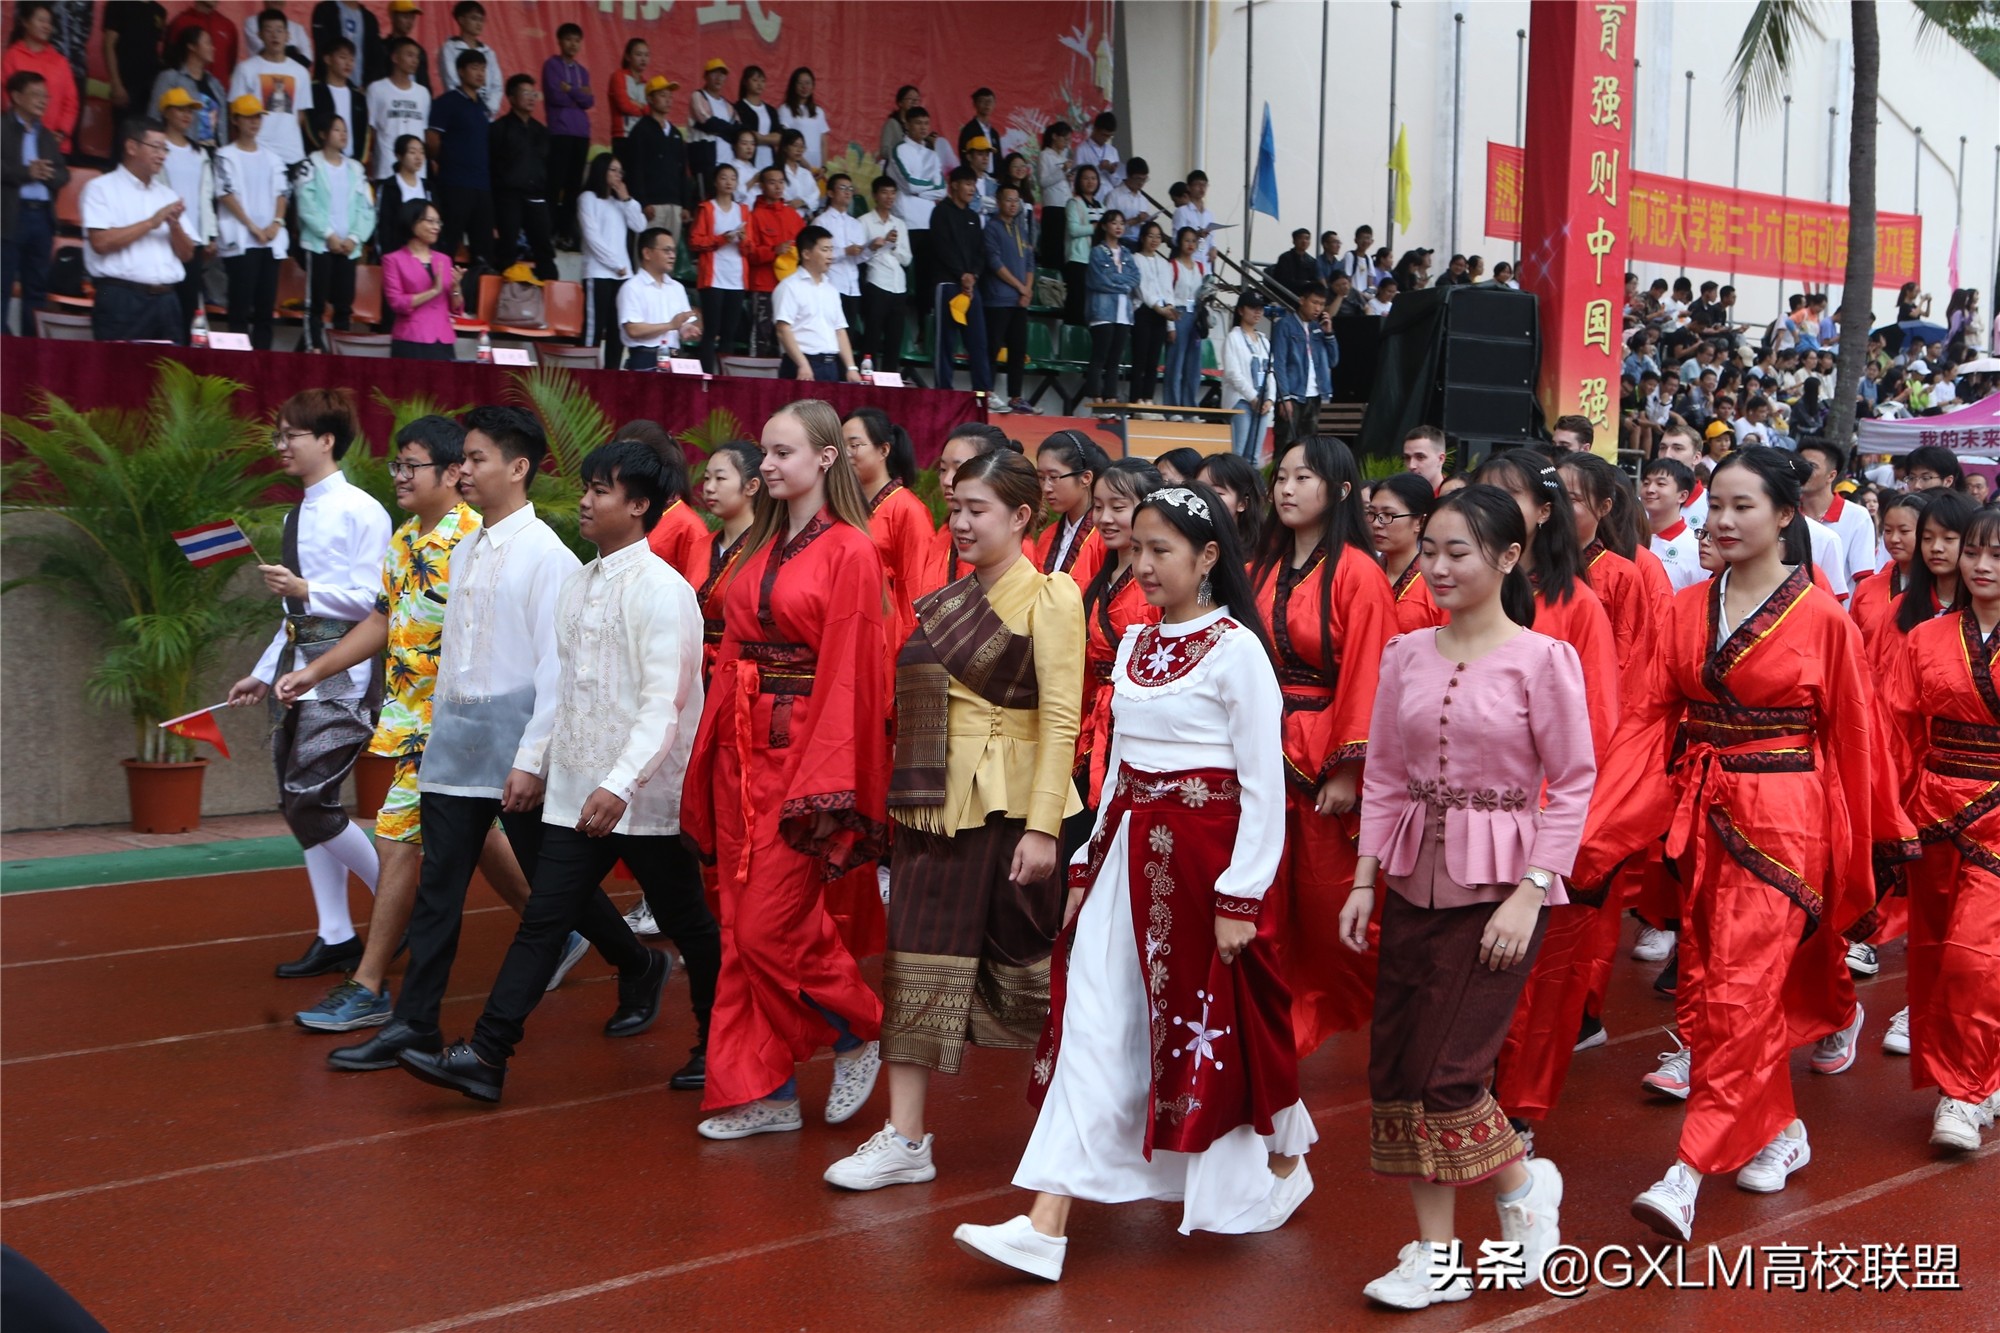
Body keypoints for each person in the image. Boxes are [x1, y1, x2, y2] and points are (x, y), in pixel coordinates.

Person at [953, 482, 1309, 1279]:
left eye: (1161, 550)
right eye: (1135, 549)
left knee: (1225, 1022)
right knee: (1095, 1022)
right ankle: (1045, 1223)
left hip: (1202, 869)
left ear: (1208, 556)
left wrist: (1241, 895)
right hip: (1124, 861)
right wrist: (1086, 863)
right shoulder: (1138, 643)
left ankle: (1284, 1162)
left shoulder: (1237, 650)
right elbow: (1118, 767)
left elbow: (1263, 785)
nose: (1142, 564)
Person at [1578, 448, 1902, 1241]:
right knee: (1714, 985)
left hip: (1786, 824)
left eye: (1742, 506)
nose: (1722, 520)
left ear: (1786, 515)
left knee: (1740, 989)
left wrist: (1875, 842)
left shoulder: (1823, 618)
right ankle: (1781, 1128)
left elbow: (1855, 737)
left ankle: (1687, 1168)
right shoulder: (1687, 606)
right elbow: (1644, 721)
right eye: (1715, 505)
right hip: (1702, 817)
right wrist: (1599, 830)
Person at [399, 440, 718, 1103]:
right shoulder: (578, 584)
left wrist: (620, 784)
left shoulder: (665, 591)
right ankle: (487, 1055)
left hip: (644, 797)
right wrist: (532, 763)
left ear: (639, 505)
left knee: (687, 920)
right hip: (576, 791)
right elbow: (562, 691)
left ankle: (718, 1045)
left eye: (602, 490)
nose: (585, 500)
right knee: (544, 917)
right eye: (587, 487)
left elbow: (664, 706)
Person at [1342, 483, 1593, 1308]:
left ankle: (1520, 1189)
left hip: (1501, 893)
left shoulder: (1544, 660)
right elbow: (1384, 774)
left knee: (1449, 1074)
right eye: (1432, 550)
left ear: (1510, 557)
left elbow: (1574, 782)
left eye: (1460, 552)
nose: (1439, 567)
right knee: (1398, 1066)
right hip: (1411, 881)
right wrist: (1364, 878)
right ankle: (1439, 1252)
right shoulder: (1404, 654)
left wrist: (1532, 890)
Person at [824, 447, 1082, 1191]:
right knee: (913, 961)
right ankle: (906, 1136)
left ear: (1022, 516)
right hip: (932, 807)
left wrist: (1043, 827)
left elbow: (1061, 716)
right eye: (956, 508)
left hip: (1007, 809)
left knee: (1035, 972)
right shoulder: (947, 597)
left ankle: (1084, 1121)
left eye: (978, 510)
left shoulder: (1052, 596)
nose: (961, 522)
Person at [326, 406, 600, 1075]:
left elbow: (557, 669)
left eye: (477, 459)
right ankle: (414, 1025)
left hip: (513, 748)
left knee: (553, 888)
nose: (465, 470)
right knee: (439, 888)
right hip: (450, 740)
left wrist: (531, 760)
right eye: (463, 459)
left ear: (518, 467)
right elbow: (449, 653)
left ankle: (634, 961)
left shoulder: (548, 557)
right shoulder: (466, 546)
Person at [279, 416, 552, 1034]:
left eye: (412, 466)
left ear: (453, 473)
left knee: (397, 840)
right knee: (478, 835)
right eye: (396, 465)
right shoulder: (404, 540)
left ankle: (369, 983)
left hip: (460, 722)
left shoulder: (475, 539)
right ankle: (560, 930)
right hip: (411, 719)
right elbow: (382, 620)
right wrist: (314, 669)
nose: (399, 477)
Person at [680, 400, 892, 1140]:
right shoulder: (761, 544)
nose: (766, 465)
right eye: (765, 452)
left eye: (782, 452)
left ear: (827, 458)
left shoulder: (851, 550)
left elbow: (852, 675)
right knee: (738, 930)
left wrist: (825, 780)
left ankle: (857, 1028)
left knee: (767, 927)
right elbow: (734, 652)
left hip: (803, 760)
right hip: (741, 755)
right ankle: (764, 1090)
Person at [225, 388, 392, 977]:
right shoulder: (295, 514)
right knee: (300, 803)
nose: (280, 445)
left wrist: (305, 590)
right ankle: (336, 932)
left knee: (307, 800)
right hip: (298, 672)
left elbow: (377, 602)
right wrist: (261, 672)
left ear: (326, 439)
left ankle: (401, 905)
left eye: (290, 434)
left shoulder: (363, 510)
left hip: (346, 671)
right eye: (278, 435)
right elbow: (294, 618)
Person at [1250, 436, 1397, 1054]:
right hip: (1257, 743)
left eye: (1302, 477)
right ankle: (1268, 1017)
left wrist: (1347, 769)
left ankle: (1324, 1012)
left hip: (1321, 756)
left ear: (1339, 491)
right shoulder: (1260, 566)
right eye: (1281, 476)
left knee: (1322, 893)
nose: (1286, 488)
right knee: (1263, 890)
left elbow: (1369, 674)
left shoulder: (1359, 573)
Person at [1880, 505, 2000, 1149]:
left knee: (1973, 958)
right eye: (1975, 551)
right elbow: (1897, 733)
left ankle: (1963, 1093)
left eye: (1998, 555)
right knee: (1934, 954)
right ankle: (1978, 1071)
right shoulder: (1926, 636)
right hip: (1935, 811)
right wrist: (1890, 816)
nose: (1982, 565)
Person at [1073, 459, 1163, 814]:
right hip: (1095, 717)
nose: (1105, 518)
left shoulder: (1163, 579)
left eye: (1118, 507)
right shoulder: (1102, 573)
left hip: (1143, 724)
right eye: (1098, 507)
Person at [82, 118, 194, 342]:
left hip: (166, 300)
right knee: (120, 364)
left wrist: (174, 225)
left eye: (165, 149)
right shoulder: (100, 188)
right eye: (156, 147)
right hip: (120, 298)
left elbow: (187, 254)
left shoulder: (167, 194)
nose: (162, 156)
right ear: (132, 147)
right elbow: (100, 243)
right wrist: (151, 223)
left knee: (171, 365)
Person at [843, 407, 940, 666]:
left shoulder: (908, 509)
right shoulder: (843, 505)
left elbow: (916, 586)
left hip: (887, 637)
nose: (846, 453)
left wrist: (908, 650)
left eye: (854, 445)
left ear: (883, 450)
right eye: (841, 446)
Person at [295, 109, 372, 352]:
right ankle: (313, 349)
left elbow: (367, 207)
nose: (343, 134)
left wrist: (354, 237)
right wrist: (328, 234)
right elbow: (306, 204)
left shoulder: (356, 169)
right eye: (337, 130)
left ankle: (341, 351)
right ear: (323, 134)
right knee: (316, 304)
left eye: (345, 130)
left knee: (344, 306)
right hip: (320, 245)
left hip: (348, 248)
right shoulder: (310, 165)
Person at [214, 94, 287, 351]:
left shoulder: (272, 157)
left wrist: (276, 223)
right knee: (240, 308)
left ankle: (263, 361)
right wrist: (252, 226)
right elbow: (225, 194)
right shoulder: (225, 155)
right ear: (235, 120)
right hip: (242, 241)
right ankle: (237, 360)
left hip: (269, 242)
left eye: (257, 117)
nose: (254, 122)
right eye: (248, 117)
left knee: (265, 309)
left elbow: (281, 193)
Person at [2, 69, 65, 333]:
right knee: (2, 287)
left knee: (37, 290)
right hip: (10, 217)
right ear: (16, 97)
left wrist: (49, 175)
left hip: (41, 218)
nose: (43, 101)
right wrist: (28, 172)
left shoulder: (46, 135)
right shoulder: (2, 127)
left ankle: (32, 348)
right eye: (36, 95)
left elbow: (63, 173)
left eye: (45, 96)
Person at [426, 47, 491, 273]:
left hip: (482, 186)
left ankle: (474, 293)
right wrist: (448, 161)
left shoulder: (483, 107)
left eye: (483, 68)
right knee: (447, 243)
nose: (480, 73)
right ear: (461, 72)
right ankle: (438, 288)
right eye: (474, 68)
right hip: (454, 183)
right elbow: (432, 139)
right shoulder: (447, 102)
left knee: (483, 249)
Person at [928, 165, 991, 395]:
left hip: (970, 288)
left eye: (973, 184)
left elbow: (981, 252)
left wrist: (973, 275)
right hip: (947, 284)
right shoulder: (940, 212)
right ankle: (944, 392)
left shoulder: (973, 216)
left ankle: (983, 393)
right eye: (967, 184)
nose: (972, 189)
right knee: (946, 342)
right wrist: (961, 275)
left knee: (978, 342)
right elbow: (941, 248)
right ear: (954, 185)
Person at [773, 223, 862, 383]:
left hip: (830, 365)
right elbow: (783, 329)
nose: (830, 256)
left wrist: (851, 367)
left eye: (831, 249)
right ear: (806, 254)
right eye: (825, 250)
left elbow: (839, 330)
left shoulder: (831, 289)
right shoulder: (789, 287)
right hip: (802, 364)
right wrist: (802, 364)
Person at [577, 151, 644, 352]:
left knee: (618, 329)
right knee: (594, 326)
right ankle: (587, 366)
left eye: (620, 172)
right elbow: (592, 237)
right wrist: (615, 264)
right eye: (613, 170)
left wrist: (627, 199)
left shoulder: (620, 203)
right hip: (599, 272)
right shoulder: (588, 198)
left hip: (623, 274)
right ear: (601, 170)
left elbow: (640, 225)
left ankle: (612, 369)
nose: (618, 175)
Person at [490, 73, 555, 281]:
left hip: (536, 196)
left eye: (533, 94)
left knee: (544, 249)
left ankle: (548, 290)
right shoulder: (499, 128)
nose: (531, 98)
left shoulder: (541, 131)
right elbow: (491, 165)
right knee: (508, 246)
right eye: (525, 93)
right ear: (511, 98)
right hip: (508, 196)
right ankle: (506, 294)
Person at [382, 198, 461, 358]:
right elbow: (397, 303)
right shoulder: (393, 260)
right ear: (412, 222)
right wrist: (433, 291)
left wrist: (456, 288)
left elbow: (455, 308)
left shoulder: (444, 260)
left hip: (443, 339)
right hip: (411, 338)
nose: (436, 227)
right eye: (430, 221)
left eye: (438, 222)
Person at [229, 9, 308, 168]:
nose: (274, 35)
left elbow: (300, 114)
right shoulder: (246, 69)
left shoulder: (301, 72)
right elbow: (234, 110)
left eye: (279, 30)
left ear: (288, 35)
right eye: (268, 30)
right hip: (257, 151)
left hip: (292, 154)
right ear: (260, 35)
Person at [688, 163, 747, 372]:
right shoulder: (707, 208)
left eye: (733, 178)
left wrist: (743, 239)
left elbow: (750, 247)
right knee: (711, 330)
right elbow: (695, 241)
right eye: (724, 177)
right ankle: (706, 375)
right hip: (713, 277)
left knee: (730, 332)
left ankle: (725, 376)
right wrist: (723, 238)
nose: (729, 182)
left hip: (736, 278)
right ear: (715, 182)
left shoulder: (743, 210)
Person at [984, 182, 1037, 414]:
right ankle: (987, 393)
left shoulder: (1020, 230)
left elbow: (1030, 262)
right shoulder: (991, 228)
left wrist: (1028, 289)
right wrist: (1021, 287)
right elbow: (994, 262)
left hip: (1019, 301)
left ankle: (1016, 397)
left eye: (1016, 201)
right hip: (998, 299)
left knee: (1018, 349)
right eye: (1008, 200)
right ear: (998, 202)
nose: (1013, 204)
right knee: (993, 347)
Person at [1369, 473, 1442, 633]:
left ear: (1420, 522)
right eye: (1372, 514)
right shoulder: (1364, 572)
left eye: (1389, 515)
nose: (1376, 524)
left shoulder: (1437, 582)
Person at [618, 225, 698, 371]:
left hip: (674, 357)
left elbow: (681, 324)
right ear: (647, 253)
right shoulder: (632, 287)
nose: (672, 256)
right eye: (667, 250)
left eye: (673, 251)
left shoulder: (677, 287)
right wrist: (670, 325)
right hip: (645, 359)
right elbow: (633, 330)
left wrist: (687, 329)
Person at [1033, 431, 1106, 590]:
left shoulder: (1105, 537)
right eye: (1041, 478)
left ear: (1086, 478)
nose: (1046, 488)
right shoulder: (1047, 536)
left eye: (1053, 477)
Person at [540, 23, 591, 246]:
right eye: (569, 39)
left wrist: (570, 90)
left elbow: (589, 101)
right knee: (554, 183)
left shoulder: (583, 71)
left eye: (577, 40)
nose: (573, 44)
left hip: (581, 133)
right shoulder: (551, 65)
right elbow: (555, 97)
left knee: (573, 186)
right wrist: (579, 94)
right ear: (559, 41)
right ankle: (547, 232)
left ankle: (565, 233)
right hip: (560, 131)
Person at [743, 164, 802, 356]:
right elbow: (749, 253)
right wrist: (773, 251)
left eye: (781, 182)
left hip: (791, 287)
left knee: (790, 337)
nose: (778, 187)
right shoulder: (754, 216)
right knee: (762, 336)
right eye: (772, 182)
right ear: (761, 186)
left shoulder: (792, 215)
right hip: (764, 285)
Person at [619, 75, 688, 239]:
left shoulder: (676, 133)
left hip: (675, 205)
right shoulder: (641, 130)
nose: (668, 100)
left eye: (670, 96)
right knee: (649, 250)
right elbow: (635, 169)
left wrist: (685, 205)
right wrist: (643, 202)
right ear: (650, 99)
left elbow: (682, 172)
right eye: (663, 95)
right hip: (652, 206)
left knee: (669, 252)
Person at [1083, 210, 1138, 411]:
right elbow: (1098, 281)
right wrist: (1122, 285)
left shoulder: (1127, 253)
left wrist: (1116, 281)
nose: (1118, 227)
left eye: (1122, 223)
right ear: (1105, 226)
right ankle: (1096, 396)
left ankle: (1111, 397)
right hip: (1103, 312)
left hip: (1124, 313)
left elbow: (1135, 278)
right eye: (1114, 223)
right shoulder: (1097, 252)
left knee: (1115, 358)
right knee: (1100, 355)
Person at [1272, 281, 1338, 451]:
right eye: (1314, 302)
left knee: (1308, 447)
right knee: (1285, 444)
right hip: (1293, 394)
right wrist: (1284, 397)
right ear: (1302, 300)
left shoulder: (1319, 327)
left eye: (1322, 304)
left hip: (1315, 394)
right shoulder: (1285, 325)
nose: (1318, 308)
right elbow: (1279, 363)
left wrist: (1329, 334)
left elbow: (1333, 360)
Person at [5, 3, 75, 152]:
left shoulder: (60, 61)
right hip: (19, 141)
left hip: (55, 143)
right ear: (25, 22)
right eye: (41, 20)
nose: (47, 26)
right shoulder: (12, 56)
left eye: (49, 22)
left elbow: (71, 102)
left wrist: (61, 133)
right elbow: (6, 99)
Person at [858, 174, 910, 372]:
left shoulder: (900, 224)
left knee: (894, 340)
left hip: (899, 286)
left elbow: (907, 259)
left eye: (893, 193)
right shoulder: (864, 222)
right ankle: (866, 378)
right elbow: (859, 256)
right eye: (884, 193)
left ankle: (889, 380)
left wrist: (893, 245)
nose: (889, 197)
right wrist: (876, 245)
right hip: (877, 283)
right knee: (872, 336)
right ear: (875, 195)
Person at [152, 23, 226, 148]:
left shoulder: (215, 83)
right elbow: (154, 117)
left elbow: (222, 124)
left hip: (214, 152)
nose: (213, 48)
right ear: (191, 46)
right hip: (181, 150)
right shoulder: (170, 78)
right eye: (207, 43)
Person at [365, 35, 428, 185]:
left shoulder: (423, 93)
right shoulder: (376, 89)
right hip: (386, 167)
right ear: (395, 57)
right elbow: (371, 132)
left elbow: (423, 132)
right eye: (409, 55)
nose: (415, 61)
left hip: (417, 172)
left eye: (417, 57)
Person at [1219, 297, 1273, 461]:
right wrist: (1253, 397)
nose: (1258, 312)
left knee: (1254, 457)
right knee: (1238, 455)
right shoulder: (1233, 337)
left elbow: (1271, 372)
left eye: (1260, 309)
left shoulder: (1264, 341)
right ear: (1241, 311)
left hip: (1262, 402)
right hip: (1241, 400)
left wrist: (1270, 399)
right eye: (1252, 308)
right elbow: (1232, 373)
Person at [1639, 457, 1705, 591]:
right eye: (1646, 483)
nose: (1650, 489)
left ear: (1682, 496)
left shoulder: (1696, 548)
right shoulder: (1629, 537)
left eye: (1660, 484)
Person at [1127, 221, 1173, 407]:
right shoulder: (1135, 259)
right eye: (1150, 236)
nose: (1155, 240)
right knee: (1140, 358)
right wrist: (1157, 306)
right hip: (1143, 311)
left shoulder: (1164, 263)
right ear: (1142, 238)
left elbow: (1168, 289)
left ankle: (1148, 399)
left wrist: (1169, 312)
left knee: (1153, 360)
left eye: (1158, 237)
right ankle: (1136, 399)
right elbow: (1140, 287)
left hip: (1162, 313)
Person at [810, 173, 864, 333]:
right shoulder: (821, 221)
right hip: (831, 285)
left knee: (848, 335)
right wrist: (845, 251)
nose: (848, 192)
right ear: (830, 193)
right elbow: (817, 256)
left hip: (852, 287)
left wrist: (870, 249)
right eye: (842, 188)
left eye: (850, 189)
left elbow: (859, 259)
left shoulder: (855, 223)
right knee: (829, 333)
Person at [300, 36, 366, 166]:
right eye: (343, 57)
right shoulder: (314, 90)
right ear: (328, 59)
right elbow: (309, 125)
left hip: (352, 163)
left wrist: (359, 160)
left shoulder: (358, 96)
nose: (348, 63)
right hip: (320, 160)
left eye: (352, 59)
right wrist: (326, 152)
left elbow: (364, 132)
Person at [1163, 226, 1209, 411]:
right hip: (1178, 314)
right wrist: (1170, 326)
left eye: (1194, 241)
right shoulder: (1172, 266)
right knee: (1175, 363)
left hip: (1195, 315)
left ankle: (1190, 407)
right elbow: (1168, 295)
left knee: (1193, 365)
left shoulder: (1200, 267)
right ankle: (1172, 407)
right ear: (1179, 243)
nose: (1191, 244)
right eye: (1187, 240)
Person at [103, 0, 170, 122]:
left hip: (151, 85)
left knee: (149, 129)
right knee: (125, 129)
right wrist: (116, 84)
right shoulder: (118, 4)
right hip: (126, 82)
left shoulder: (160, 11)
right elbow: (108, 45)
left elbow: (154, 47)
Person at [437, 0, 499, 116]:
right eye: (474, 18)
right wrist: (466, 108)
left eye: (481, 20)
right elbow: (451, 81)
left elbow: (496, 86)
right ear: (461, 20)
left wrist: (487, 109)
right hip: (460, 112)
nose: (479, 24)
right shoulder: (450, 48)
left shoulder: (488, 52)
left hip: (485, 114)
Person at [1196, 453, 1263, 554]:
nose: (1204, 498)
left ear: (1242, 503)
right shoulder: (1186, 542)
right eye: (1199, 490)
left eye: (1217, 493)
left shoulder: (1262, 552)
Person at [1060, 163, 1102, 327]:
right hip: (1078, 258)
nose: (1090, 182)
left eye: (1093, 178)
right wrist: (1095, 227)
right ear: (1078, 181)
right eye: (1086, 178)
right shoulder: (1074, 203)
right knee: (1077, 302)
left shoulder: (1101, 206)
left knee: (1091, 304)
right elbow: (1073, 229)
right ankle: (1072, 336)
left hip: (1095, 260)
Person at [373, 132, 427, 254]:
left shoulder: (428, 187)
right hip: (397, 253)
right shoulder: (389, 187)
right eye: (412, 152)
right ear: (399, 156)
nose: (418, 157)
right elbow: (383, 225)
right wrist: (387, 255)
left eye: (422, 152)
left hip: (424, 253)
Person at [686, 56, 736, 186]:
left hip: (728, 162)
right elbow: (706, 122)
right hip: (705, 162)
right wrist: (728, 130)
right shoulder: (698, 96)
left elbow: (737, 130)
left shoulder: (729, 106)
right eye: (714, 73)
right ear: (705, 76)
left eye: (722, 74)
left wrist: (722, 130)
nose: (719, 77)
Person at [166, 0, 238, 84]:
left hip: (220, 90)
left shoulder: (228, 26)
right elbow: (171, 61)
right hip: (185, 89)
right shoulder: (180, 22)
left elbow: (230, 65)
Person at [310, 0, 380, 84]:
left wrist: (367, 84)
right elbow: (322, 48)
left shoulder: (369, 18)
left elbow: (374, 55)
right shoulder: (325, 10)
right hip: (329, 83)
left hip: (360, 86)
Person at [1034, 120, 1072, 270]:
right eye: (1064, 139)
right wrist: (1062, 171)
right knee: (1053, 247)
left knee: (1064, 247)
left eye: (1068, 140)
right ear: (1054, 136)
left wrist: (1069, 178)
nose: (1066, 143)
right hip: (1052, 206)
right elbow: (1043, 181)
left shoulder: (1063, 157)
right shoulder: (1045, 155)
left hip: (1066, 205)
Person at [777, 65, 827, 168]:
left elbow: (823, 142)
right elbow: (786, 139)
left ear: (813, 86)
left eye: (808, 83)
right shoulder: (785, 109)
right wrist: (805, 164)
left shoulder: (819, 111)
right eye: (800, 83)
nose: (804, 87)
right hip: (796, 165)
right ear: (793, 85)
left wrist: (823, 167)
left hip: (816, 166)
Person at [607, 36, 649, 154]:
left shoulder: (646, 84)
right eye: (639, 54)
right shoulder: (618, 76)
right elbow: (624, 105)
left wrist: (636, 104)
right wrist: (642, 107)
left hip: (642, 136)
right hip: (623, 136)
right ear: (628, 56)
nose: (643, 59)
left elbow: (650, 111)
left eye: (646, 55)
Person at [1171, 169, 1218, 265]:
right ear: (1188, 187)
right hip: (1189, 262)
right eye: (1198, 185)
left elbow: (1212, 239)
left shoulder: (1209, 214)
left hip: (1206, 263)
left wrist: (1213, 248)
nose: (1202, 188)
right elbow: (1175, 240)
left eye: (1204, 185)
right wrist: (1195, 235)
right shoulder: (1182, 212)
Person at [1071, 109, 1119, 197]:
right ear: (1095, 129)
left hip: (1110, 196)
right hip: (1091, 197)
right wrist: (1098, 168)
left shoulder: (1112, 151)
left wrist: (1111, 171)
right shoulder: (1081, 149)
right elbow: (1076, 178)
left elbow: (1118, 183)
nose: (1106, 139)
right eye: (1104, 135)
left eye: (1110, 136)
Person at [877, 82, 918, 166]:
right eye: (910, 98)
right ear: (900, 102)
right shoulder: (892, 124)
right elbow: (884, 151)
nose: (914, 102)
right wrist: (901, 153)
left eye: (917, 99)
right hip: (895, 169)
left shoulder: (917, 125)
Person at [1269, 229, 1318, 297]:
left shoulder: (1312, 261)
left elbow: (1314, 280)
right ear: (1294, 241)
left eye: (1307, 239)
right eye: (1300, 238)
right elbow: (1283, 280)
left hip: (1305, 295)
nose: (1304, 241)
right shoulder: (1285, 258)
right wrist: (1304, 283)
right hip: (1286, 294)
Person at [1402, 425, 1448, 493]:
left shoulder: (1456, 497)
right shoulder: (1398, 495)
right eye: (1407, 457)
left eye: (1420, 457)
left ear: (1440, 459)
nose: (1411, 466)